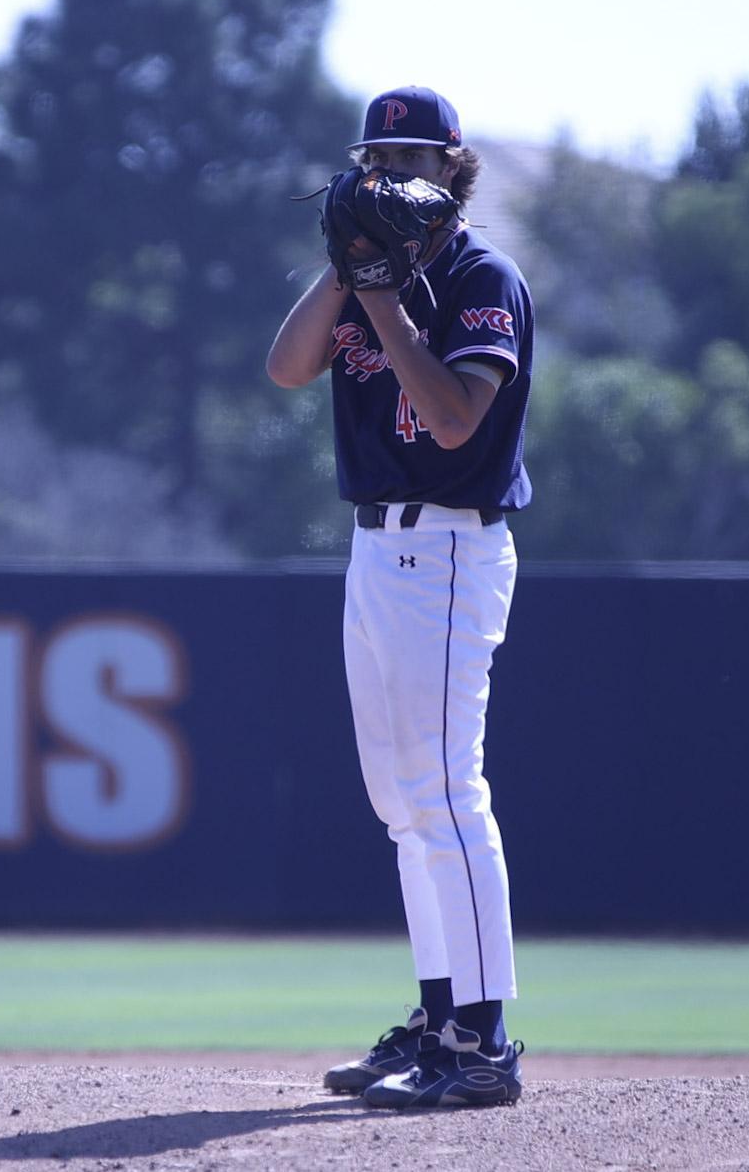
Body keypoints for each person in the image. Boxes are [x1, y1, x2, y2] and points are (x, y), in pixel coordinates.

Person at [266, 85, 534, 1109]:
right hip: (375, 549)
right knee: (401, 805)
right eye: (377, 161)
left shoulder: (478, 275)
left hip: (452, 545)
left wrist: (378, 291)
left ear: (455, 169)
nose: (391, 178)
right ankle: (438, 1016)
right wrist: (351, 271)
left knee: (448, 796)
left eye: (414, 159)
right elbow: (286, 368)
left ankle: (482, 1041)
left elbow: (457, 417)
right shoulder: (363, 272)